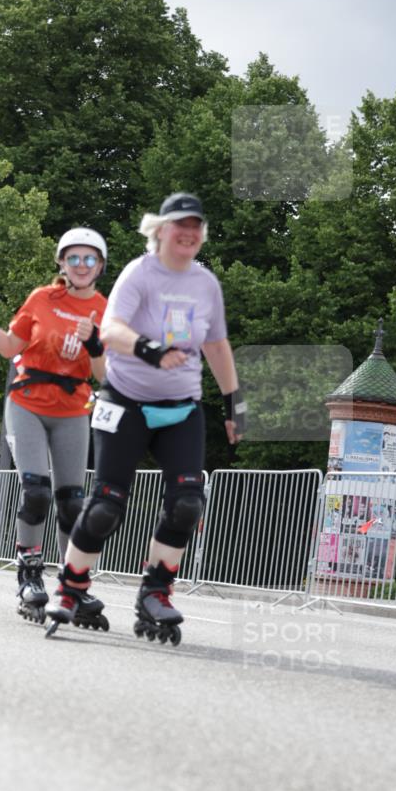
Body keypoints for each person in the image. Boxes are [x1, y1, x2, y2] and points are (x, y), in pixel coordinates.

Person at [45, 193, 246, 645]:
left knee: (188, 503)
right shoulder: (140, 273)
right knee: (105, 509)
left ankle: (156, 591)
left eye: (197, 226)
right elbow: (111, 330)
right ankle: (72, 587)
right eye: (181, 226)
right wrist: (150, 350)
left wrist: (235, 403)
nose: (189, 233)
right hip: (126, 401)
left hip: (181, 409)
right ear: (160, 231)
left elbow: (216, 345)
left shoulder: (205, 283)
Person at [0, 228, 108, 624]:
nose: (80, 265)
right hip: (27, 403)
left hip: (73, 409)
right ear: (61, 263)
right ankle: (29, 574)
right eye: (73, 258)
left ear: (100, 267)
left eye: (89, 259)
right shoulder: (42, 299)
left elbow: (103, 373)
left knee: (73, 501)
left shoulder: (103, 308)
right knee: (37, 491)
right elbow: (11, 346)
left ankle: (73, 584)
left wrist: (94, 344)